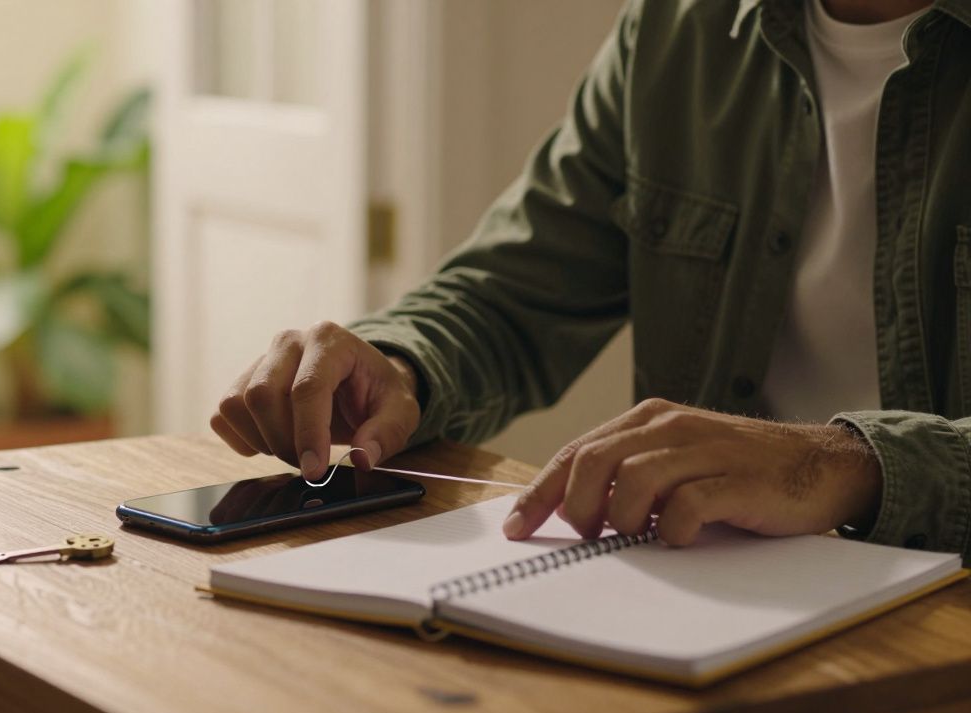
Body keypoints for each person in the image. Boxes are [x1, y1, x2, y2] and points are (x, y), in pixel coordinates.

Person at [210, 0, 971, 560]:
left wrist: (843, 465)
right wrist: (400, 363)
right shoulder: (678, 28)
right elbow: (513, 291)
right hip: (715, 597)